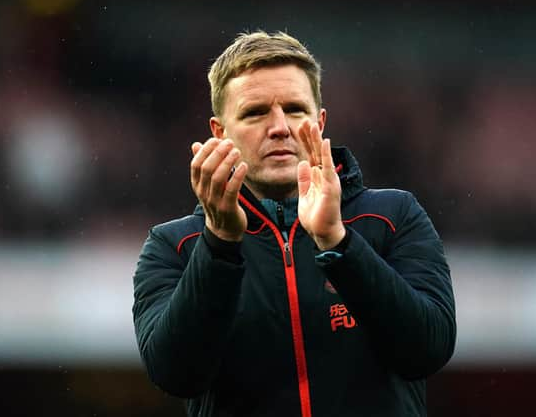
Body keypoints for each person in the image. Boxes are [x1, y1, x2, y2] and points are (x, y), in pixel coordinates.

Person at [133, 31, 456, 417]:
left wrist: (337, 242)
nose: (280, 127)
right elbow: (176, 375)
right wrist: (219, 244)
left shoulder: (392, 217)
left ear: (319, 121)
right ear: (220, 132)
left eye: (295, 109)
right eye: (255, 113)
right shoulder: (175, 246)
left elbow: (427, 351)